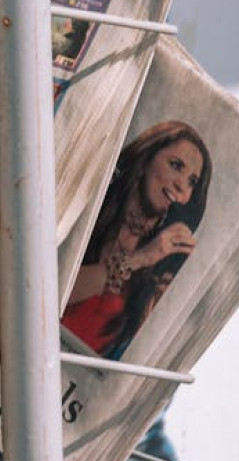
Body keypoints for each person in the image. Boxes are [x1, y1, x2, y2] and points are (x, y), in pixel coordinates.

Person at [62, 120, 213, 360]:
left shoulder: (166, 259)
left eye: (192, 181)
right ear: (146, 159)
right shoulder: (93, 206)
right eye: (176, 166)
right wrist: (139, 259)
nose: (181, 185)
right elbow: (52, 291)